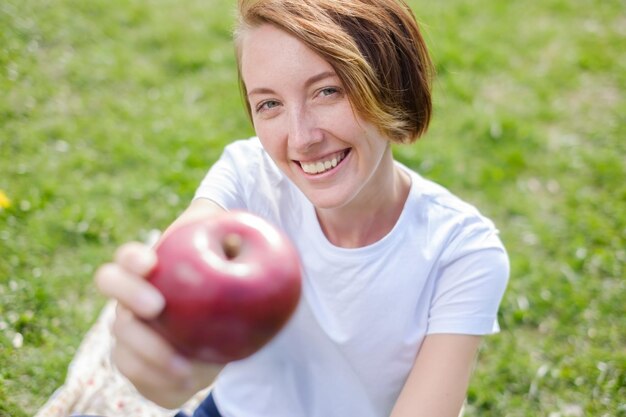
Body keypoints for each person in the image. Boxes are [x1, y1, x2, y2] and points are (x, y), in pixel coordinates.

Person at [95, 0, 510, 416]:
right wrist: (162, 336)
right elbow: (175, 281)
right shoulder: (247, 175)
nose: (301, 139)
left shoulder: (461, 252)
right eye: (269, 104)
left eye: (328, 90)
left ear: (390, 83)